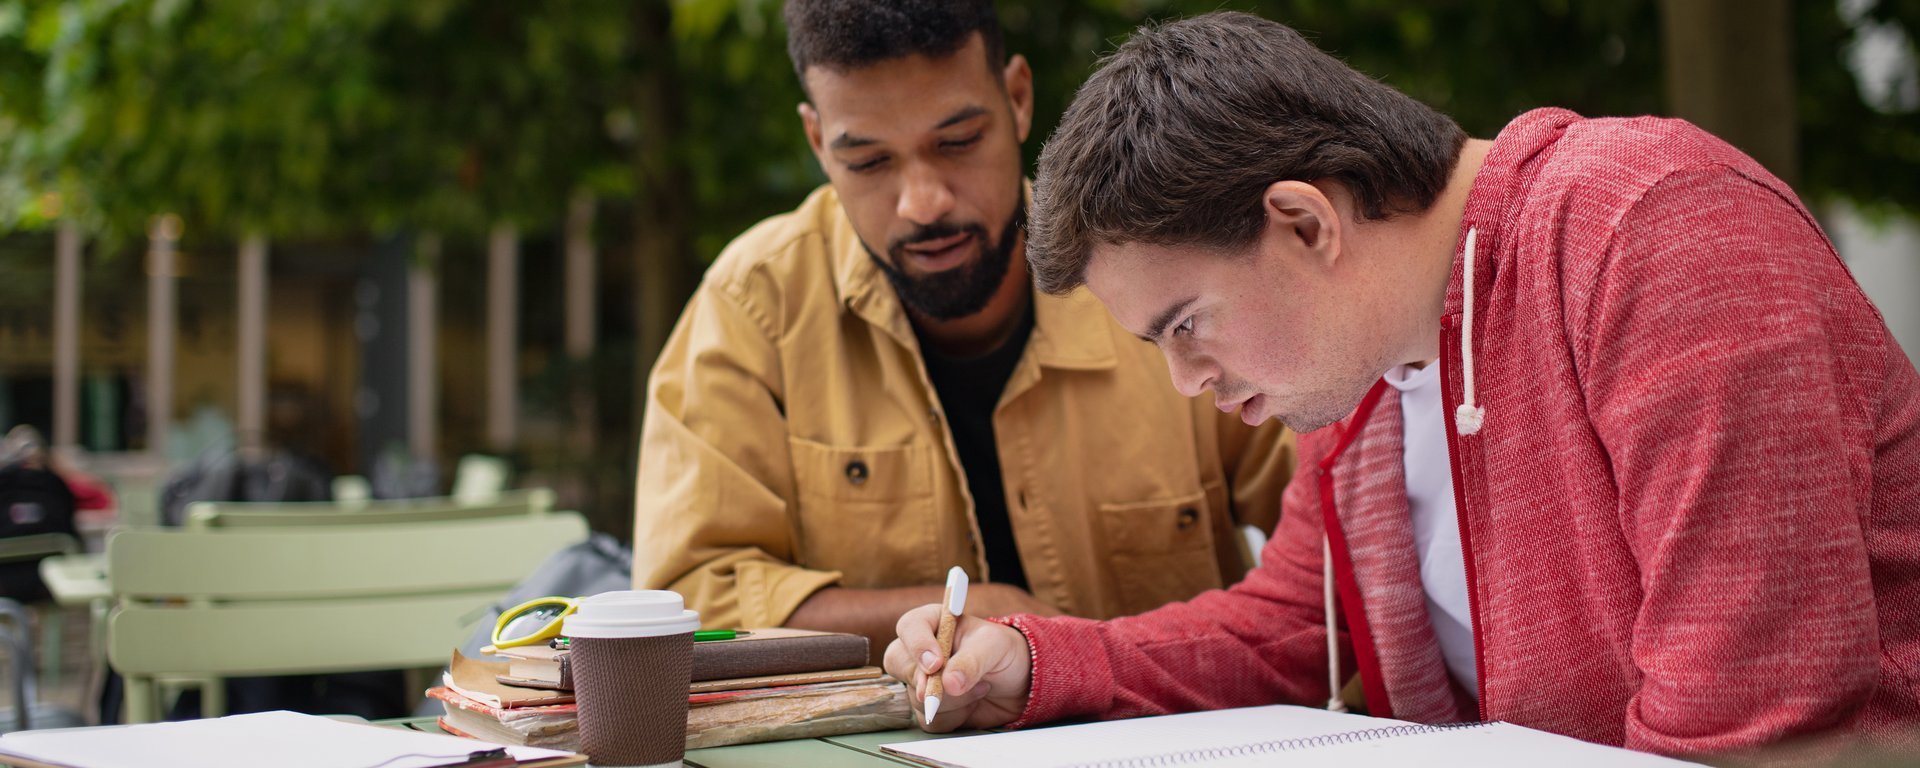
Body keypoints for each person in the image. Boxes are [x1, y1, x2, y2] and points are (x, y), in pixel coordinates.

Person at [885, 11, 1920, 758]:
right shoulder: (1365, 373)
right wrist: (1030, 665)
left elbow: (1752, 724)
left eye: (1186, 325)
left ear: (1304, 223)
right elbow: (1289, 631)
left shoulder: (1657, 232)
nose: (1186, 380)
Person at [631, 0, 1294, 658]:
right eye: (868, 162)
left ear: (1018, 98)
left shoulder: (1169, 285)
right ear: (817, 142)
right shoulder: (753, 308)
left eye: (957, 143)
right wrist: (976, 609)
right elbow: (688, 599)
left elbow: (1340, 545)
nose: (923, 201)